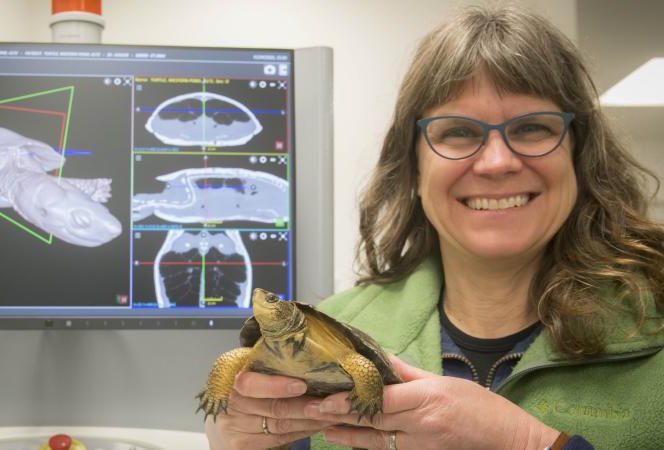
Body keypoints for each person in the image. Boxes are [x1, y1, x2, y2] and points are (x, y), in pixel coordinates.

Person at [205, 5, 664, 449]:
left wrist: (527, 444)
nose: (498, 162)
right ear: (412, 167)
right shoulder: (340, 325)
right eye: (458, 132)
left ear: (579, 154)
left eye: (532, 128)